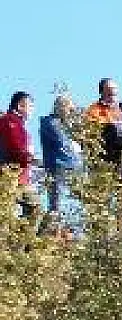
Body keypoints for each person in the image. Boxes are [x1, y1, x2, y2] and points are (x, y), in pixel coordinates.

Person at [1, 92, 44, 231]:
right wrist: (33, 160)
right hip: (10, 174)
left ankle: (21, 241)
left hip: (20, 176)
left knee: (34, 206)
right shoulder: (10, 121)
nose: (32, 109)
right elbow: (15, 148)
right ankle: (15, 242)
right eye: (30, 106)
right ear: (20, 105)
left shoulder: (18, 124)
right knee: (9, 210)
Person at [38, 92, 82, 221]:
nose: (71, 113)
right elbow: (62, 144)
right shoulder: (51, 123)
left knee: (70, 202)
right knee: (55, 204)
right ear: (63, 108)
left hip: (68, 167)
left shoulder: (62, 125)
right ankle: (51, 231)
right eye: (69, 109)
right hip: (59, 166)